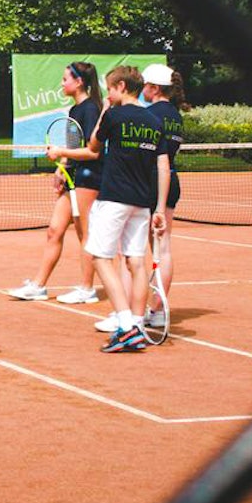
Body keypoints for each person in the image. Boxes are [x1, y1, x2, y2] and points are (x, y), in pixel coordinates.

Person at [64, 65, 165, 353]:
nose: (107, 93)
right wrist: (158, 206)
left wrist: (107, 110)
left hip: (114, 197)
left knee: (98, 256)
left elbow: (94, 145)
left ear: (121, 86)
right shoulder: (154, 121)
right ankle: (137, 323)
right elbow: (161, 165)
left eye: (110, 88)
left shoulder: (114, 115)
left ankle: (124, 324)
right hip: (142, 201)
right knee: (136, 261)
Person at [6, 60, 104, 304]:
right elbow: (73, 149)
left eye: (65, 79)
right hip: (74, 177)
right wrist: (62, 167)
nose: (62, 84)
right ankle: (39, 286)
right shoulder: (74, 112)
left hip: (89, 179)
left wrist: (62, 153)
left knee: (85, 235)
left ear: (79, 82)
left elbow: (94, 152)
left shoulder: (90, 109)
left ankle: (87, 288)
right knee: (54, 231)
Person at [140, 63, 185, 329]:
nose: (143, 89)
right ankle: (158, 309)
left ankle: (151, 308)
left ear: (154, 88)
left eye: (146, 85)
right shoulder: (176, 116)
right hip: (172, 182)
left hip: (152, 183)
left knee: (147, 248)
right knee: (164, 248)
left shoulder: (150, 114)